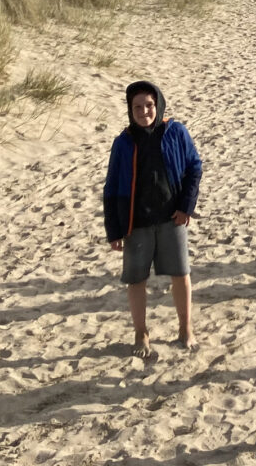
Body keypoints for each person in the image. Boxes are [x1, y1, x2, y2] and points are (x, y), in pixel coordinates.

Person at [102, 81, 203, 359]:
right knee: (136, 280)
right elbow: (111, 188)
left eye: (149, 105)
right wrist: (114, 230)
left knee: (181, 275)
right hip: (136, 222)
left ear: (158, 104)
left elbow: (194, 167)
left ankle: (185, 328)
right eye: (137, 107)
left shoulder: (176, 132)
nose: (144, 111)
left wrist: (186, 206)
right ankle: (141, 332)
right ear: (130, 109)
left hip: (173, 218)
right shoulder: (123, 142)